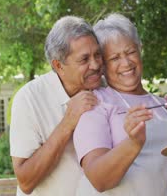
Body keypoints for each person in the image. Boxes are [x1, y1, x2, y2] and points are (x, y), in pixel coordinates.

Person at [73, 13, 167, 195]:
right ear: (102, 65)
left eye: (130, 52)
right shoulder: (96, 105)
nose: (126, 63)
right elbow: (99, 179)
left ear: (140, 50)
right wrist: (133, 142)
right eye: (114, 58)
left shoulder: (164, 106)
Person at [10, 16, 103, 195]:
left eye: (97, 55)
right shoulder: (28, 99)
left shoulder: (105, 88)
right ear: (58, 65)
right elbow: (25, 182)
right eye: (84, 60)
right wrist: (68, 122)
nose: (96, 64)